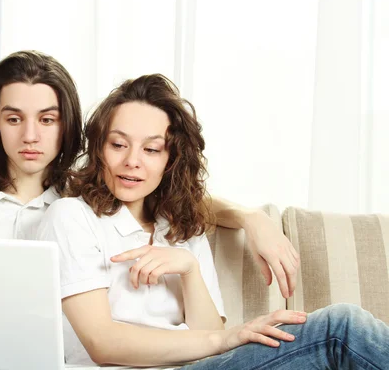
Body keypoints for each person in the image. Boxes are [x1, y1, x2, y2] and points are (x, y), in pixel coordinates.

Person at [0, 51, 300, 370]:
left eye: (47, 119)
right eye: (14, 118)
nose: (31, 136)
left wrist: (252, 218)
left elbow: (170, 198)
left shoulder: (82, 194)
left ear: (67, 125)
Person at [36, 74, 389, 369]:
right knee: (340, 329)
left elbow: (211, 343)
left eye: (152, 149)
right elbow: (102, 342)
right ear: (99, 148)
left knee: (341, 332)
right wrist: (226, 336)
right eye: (118, 144)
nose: (132, 161)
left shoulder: (180, 227)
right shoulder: (72, 216)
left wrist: (189, 269)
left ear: (171, 159)